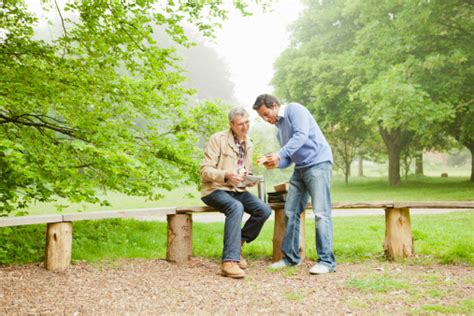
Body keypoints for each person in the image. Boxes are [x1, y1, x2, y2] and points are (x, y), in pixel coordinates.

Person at [253, 94, 336, 275]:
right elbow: (289, 158)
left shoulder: (294, 109)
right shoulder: (278, 129)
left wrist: (278, 154)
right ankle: (291, 259)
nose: (266, 120)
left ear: (275, 105)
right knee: (290, 212)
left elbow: (301, 136)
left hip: (318, 163)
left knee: (321, 213)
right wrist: (276, 162)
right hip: (301, 168)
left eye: (267, 114)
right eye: (262, 118)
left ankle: (327, 261)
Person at [200, 107, 271, 279]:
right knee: (236, 207)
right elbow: (204, 171)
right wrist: (226, 175)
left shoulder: (249, 143)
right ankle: (229, 262)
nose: (245, 127)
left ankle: (238, 243)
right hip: (215, 189)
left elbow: (243, 170)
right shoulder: (218, 139)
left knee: (264, 210)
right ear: (231, 124)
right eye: (240, 124)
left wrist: (248, 178)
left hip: (237, 190)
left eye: (247, 123)